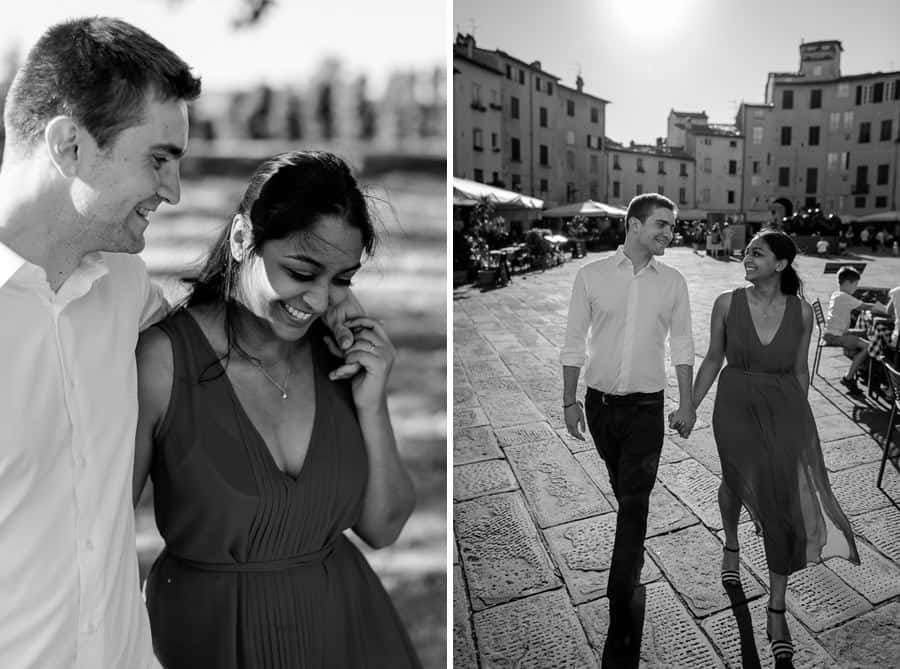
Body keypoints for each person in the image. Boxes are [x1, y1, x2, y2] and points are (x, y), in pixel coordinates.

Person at [0, 18, 362, 668]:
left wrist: (325, 300)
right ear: (69, 146)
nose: (173, 189)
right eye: (158, 158)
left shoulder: (127, 290)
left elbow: (231, 319)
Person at [133, 151, 420, 668]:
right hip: (208, 637)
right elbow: (102, 538)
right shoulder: (162, 361)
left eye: (342, 279)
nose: (317, 299)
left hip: (346, 631)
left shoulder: (336, 359)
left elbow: (383, 528)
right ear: (244, 239)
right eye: (301, 271)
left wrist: (372, 404)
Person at [692, 229, 859, 666]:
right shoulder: (727, 303)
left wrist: (797, 424)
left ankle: (777, 608)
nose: (747, 258)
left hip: (784, 408)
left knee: (781, 502)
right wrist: (688, 404)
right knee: (734, 483)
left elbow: (801, 371)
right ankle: (731, 542)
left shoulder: (802, 312)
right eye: (747, 252)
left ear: (781, 264)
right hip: (734, 406)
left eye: (757, 253)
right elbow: (713, 357)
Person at [561, 193, 695, 662]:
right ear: (634, 224)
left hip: (646, 408)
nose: (668, 233)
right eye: (661, 224)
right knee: (624, 492)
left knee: (635, 500)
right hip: (598, 407)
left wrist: (689, 403)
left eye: (672, 226)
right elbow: (574, 340)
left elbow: (682, 344)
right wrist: (569, 400)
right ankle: (631, 553)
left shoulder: (673, 282)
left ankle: (620, 594)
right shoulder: (591, 276)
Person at [823, 266, 887, 395]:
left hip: (833, 332)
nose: (856, 288)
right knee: (869, 346)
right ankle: (849, 377)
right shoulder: (844, 297)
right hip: (836, 336)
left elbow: (861, 304)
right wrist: (885, 309)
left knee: (865, 332)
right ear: (847, 283)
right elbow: (866, 306)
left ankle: (863, 368)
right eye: (855, 284)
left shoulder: (837, 294)